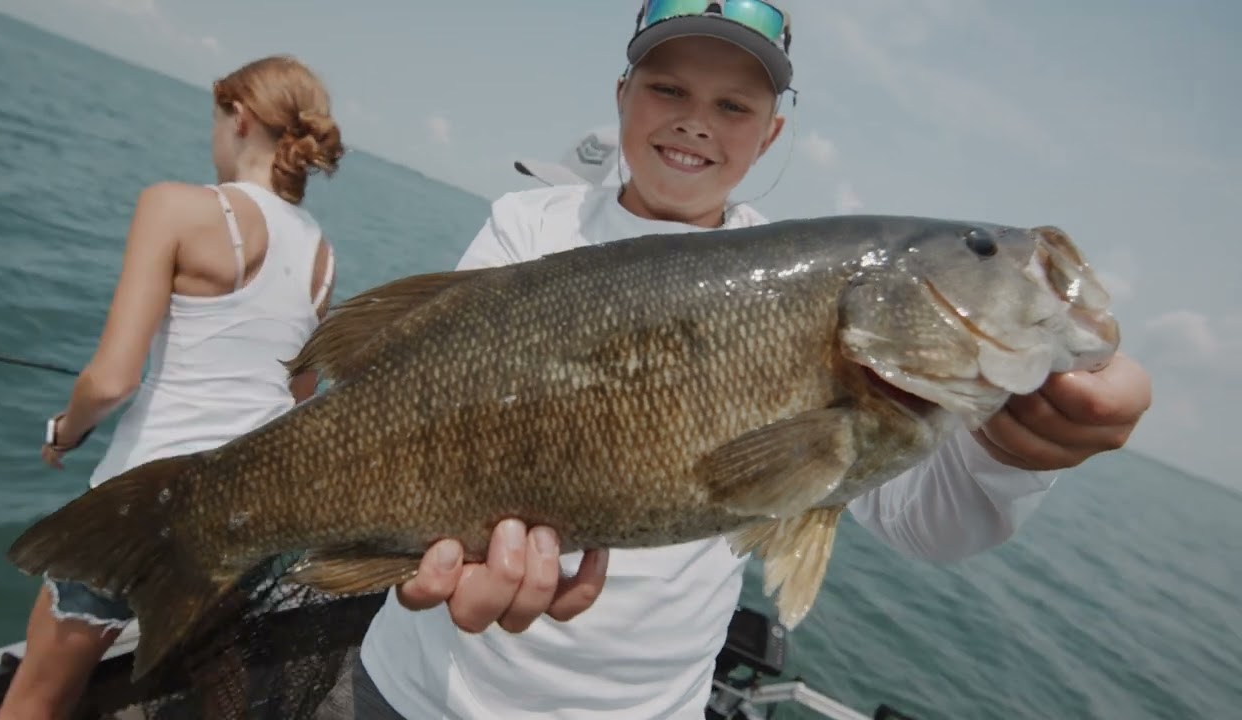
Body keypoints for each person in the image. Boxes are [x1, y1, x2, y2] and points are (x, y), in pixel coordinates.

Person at [351, 2, 1154, 718]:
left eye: (733, 105)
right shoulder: (527, 228)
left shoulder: (842, 330)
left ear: (771, 131)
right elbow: (413, 392)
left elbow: (930, 525)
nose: (696, 122)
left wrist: (1013, 454)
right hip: (422, 683)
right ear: (623, 95)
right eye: (668, 90)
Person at [0, 54, 345, 720]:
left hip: (139, 505)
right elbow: (295, 401)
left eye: (215, 120)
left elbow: (112, 379)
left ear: (238, 118)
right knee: (220, 693)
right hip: (244, 517)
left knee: (38, 697)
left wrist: (64, 432)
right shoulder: (323, 258)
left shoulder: (176, 207)